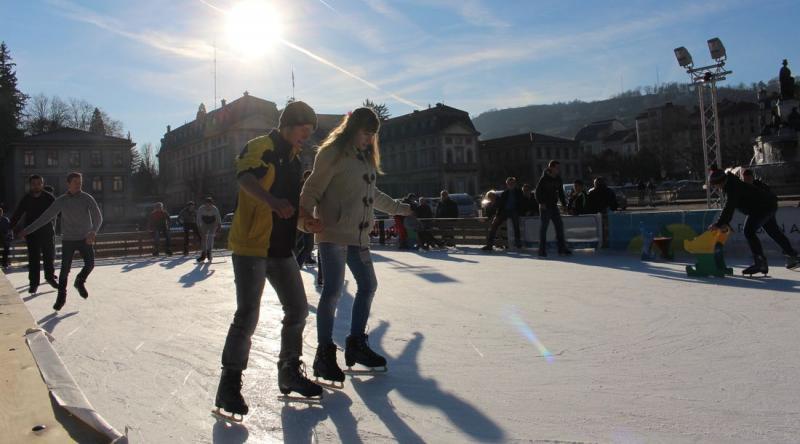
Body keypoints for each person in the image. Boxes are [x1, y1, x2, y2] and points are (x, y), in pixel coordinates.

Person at [214, 100, 323, 421]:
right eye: (304, 130)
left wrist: (306, 222)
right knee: (247, 314)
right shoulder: (261, 146)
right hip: (251, 245)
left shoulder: (293, 157)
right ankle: (229, 384)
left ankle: (289, 369)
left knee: (298, 309)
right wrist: (272, 201)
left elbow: (290, 206)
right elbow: (245, 178)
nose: (306, 137)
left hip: (281, 248)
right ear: (290, 124)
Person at [299, 107, 412, 385]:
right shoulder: (332, 153)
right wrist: (304, 220)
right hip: (334, 233)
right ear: (352, 129)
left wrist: (398, 208)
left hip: (358, 237)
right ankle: (325, 354)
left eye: (373, 135)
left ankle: (356, 343)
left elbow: (371, 194)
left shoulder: (364, 158)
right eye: (365, 133)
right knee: (333, 292)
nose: (368, 139)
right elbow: (312, 189)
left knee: (368, 285)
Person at [20, 173, 102, 311]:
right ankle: (61, 296)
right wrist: (27, 230)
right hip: (69, 240)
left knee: (90, 264)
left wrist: (93, 231)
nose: (78, 184)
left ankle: (79, 281)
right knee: (64, 271)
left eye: (80, 182)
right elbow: (45, 218)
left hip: (84, 238)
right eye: (75, 182)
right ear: (68, 184)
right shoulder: (61, 200)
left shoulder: (87, 198)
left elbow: (98, 217)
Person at [708, 169, 798, 275]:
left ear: (719, 182)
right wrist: (725, 223)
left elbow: (729, 207)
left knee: (748, 231)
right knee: (773, 231)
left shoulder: (732, 187)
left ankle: (760, 263)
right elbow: (730, 207)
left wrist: (719, 224)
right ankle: (791, 255)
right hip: (767, 205)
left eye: (714, 185)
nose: (715, 188)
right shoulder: (732, 183)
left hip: (762, 208)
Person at [9, 175, 58, 293]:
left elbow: (59, 211)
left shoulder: (49, 197)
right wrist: (10, 227)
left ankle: (50, 278)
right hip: (32, 233)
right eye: (34, 184)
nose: (36, 186)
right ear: (30, 185)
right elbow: (18, 213)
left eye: (38, 183)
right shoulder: (26, 199)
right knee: (34, 259)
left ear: (42, 184)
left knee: (49, 257)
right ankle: (34, 283)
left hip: (47, 232)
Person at [535, 161, 570, 257]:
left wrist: (564, 204)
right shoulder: (544, 179)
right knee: (544, 228)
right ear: (551, 168)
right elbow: (537, 192)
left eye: (559, 167)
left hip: (554, 206)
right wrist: (541, 203)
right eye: (557, 168)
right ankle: (541, 250)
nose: (559, 169)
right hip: (545, 207)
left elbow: (561, 193)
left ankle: (562, 248)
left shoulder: (558, 178)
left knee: (559, 227)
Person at [482, 177, 524, 251]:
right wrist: (496, 214)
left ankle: (518, 243)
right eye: (509, 183)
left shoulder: (519, 192)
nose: (511, 185)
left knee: (516, 225)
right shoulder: (505, 193)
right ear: (507, 184)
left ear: (515, 184)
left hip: (514, 211)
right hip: (504, 211)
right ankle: (489, 245)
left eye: (512, 183)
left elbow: (522, 203)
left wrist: (521, 212)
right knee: (494, 224)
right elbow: (500, 204)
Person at [295, 170, 316, 266]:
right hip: (304, 218)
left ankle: (305, 259)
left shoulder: (312, 187)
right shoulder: (303, 187)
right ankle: (298, 264)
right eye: (309, 176)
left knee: (302, 242)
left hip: (307, 217)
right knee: (308, 245)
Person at [196, 197, 221, 263]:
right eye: (206, 205)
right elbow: (198, 219)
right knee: (203, 238)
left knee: (210, 237)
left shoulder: (215, 209)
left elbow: (218, 219)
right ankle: (203, 252)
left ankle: (209, 252)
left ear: (211, 204)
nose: (208, 207)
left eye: (209, 205)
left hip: (213, 223)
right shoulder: (201, 209)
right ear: (204, 204)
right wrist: (199, 228)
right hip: (204, 222)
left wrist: (218, 228)